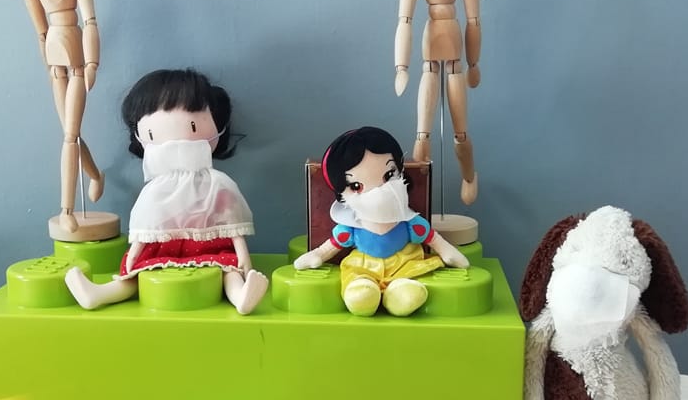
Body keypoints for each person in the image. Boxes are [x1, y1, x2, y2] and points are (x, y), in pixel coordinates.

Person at [65, 69, 268, 314]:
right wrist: (134, 253)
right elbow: (148, 221)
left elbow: (230, 217)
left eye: (192, 125)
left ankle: (240, 296)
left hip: (211, 242)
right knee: (136, 274)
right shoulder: (157, 188)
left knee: (229, 270)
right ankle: (98, 294)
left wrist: (243, 256)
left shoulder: (216, 182)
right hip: (163, 245)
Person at [295, 126, 468, 316]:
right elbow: (331, 246)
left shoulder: (410, 222)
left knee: (407, 291)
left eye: (389, 176)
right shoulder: (351, 227)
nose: (378, 192)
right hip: (363, 266)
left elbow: (433, 239)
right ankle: (363, 293)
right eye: (356, 186)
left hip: (403, 263)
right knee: (361, 290)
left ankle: (399, 293)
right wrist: (318, 254)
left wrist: (448, 253)